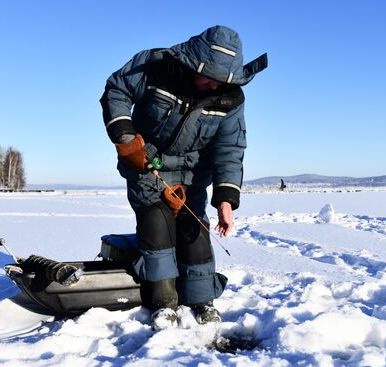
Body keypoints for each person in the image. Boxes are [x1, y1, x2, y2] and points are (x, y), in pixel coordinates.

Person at [100, 26, 267, 329]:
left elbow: (230, 148)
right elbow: (117, 90)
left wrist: (226, 199)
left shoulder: (230, 98)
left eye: (221, 79)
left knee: (194, 230)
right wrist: (125, 135)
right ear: (193, 64)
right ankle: (164, 304)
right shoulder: (154, 66)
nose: (213, 84)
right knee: (157, 225)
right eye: (209, 76)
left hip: (192, 176)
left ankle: (202, 301)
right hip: (146, 165)